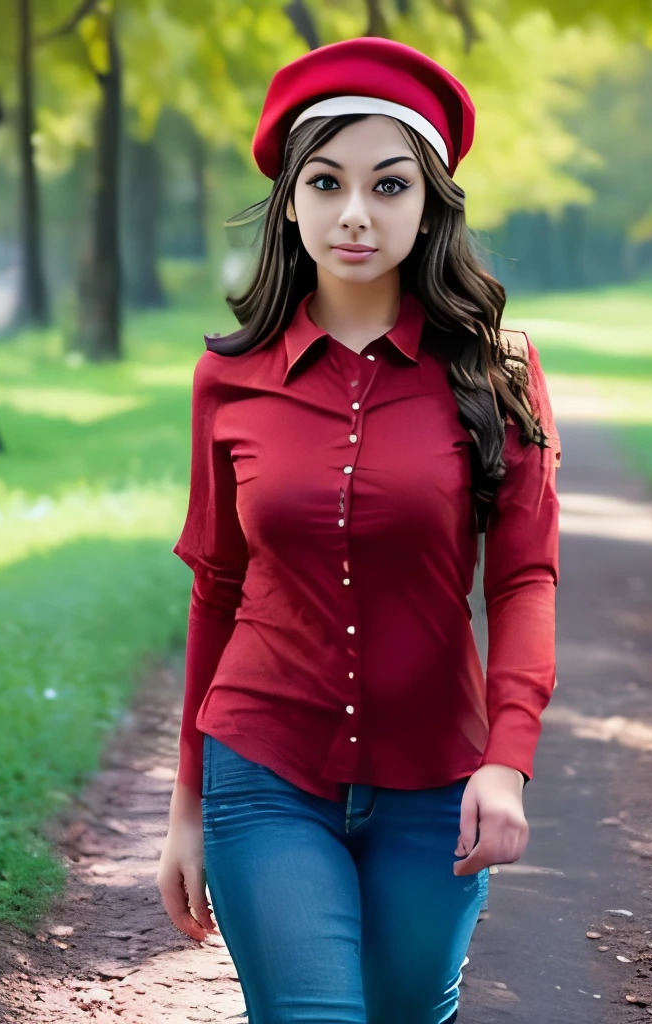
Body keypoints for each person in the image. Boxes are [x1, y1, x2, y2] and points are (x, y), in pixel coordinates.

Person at [157, 36, 561, 1024]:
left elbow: (523, 581)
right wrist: (187, 808)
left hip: (439, 783)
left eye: (388, 186)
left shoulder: (496, 371)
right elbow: (217, 584)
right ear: (291, 198)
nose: (354, 214)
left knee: (409, 1010)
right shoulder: (228, 377)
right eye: (328, 182)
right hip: (265, 771)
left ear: (427, 205)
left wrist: (507, 759)